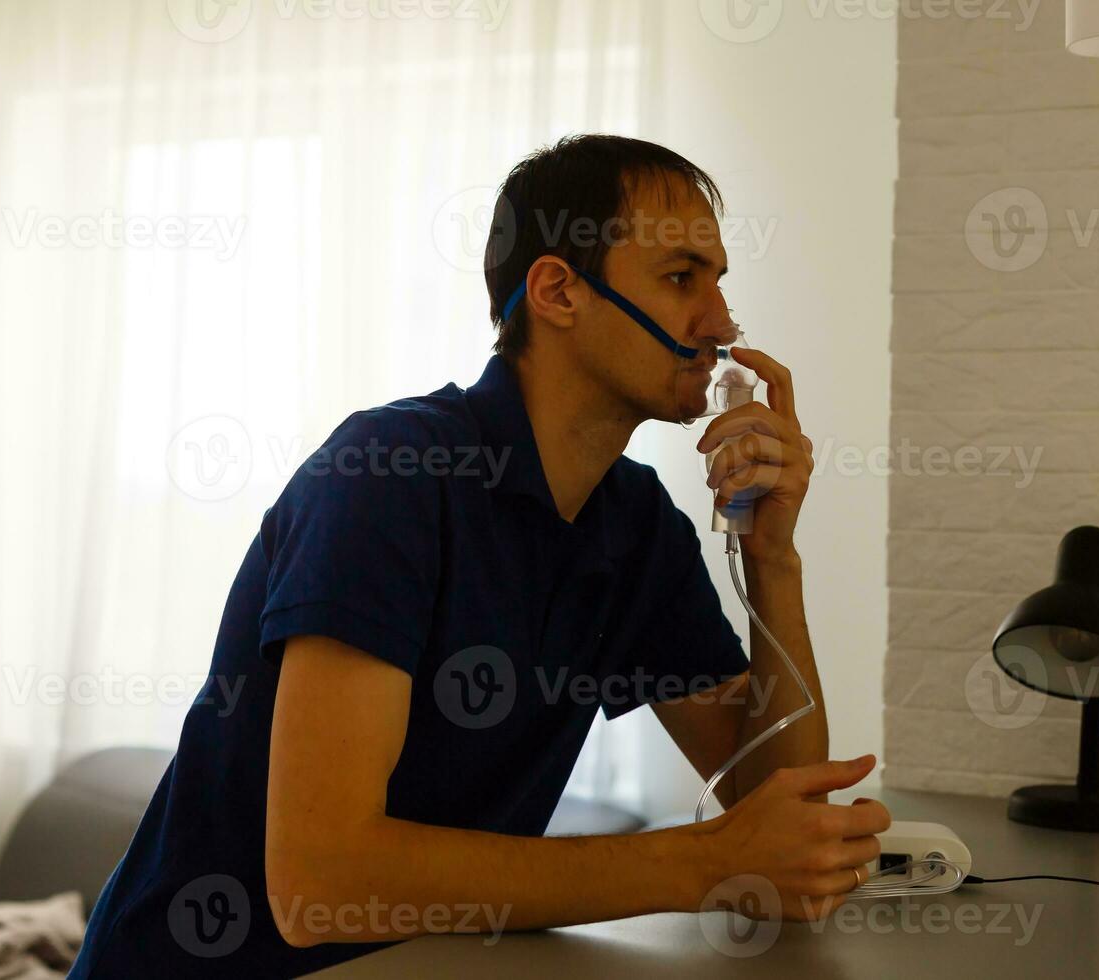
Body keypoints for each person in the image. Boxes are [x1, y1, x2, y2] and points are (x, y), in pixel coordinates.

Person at [70, 133, 890, 978]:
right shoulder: (391, 474)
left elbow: (778, 816)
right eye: (683, 279)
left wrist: (773, 556)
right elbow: (320, 881)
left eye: (720, 283)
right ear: (558, 291)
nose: (721, 323)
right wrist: (701, 861)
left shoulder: (635, 524)